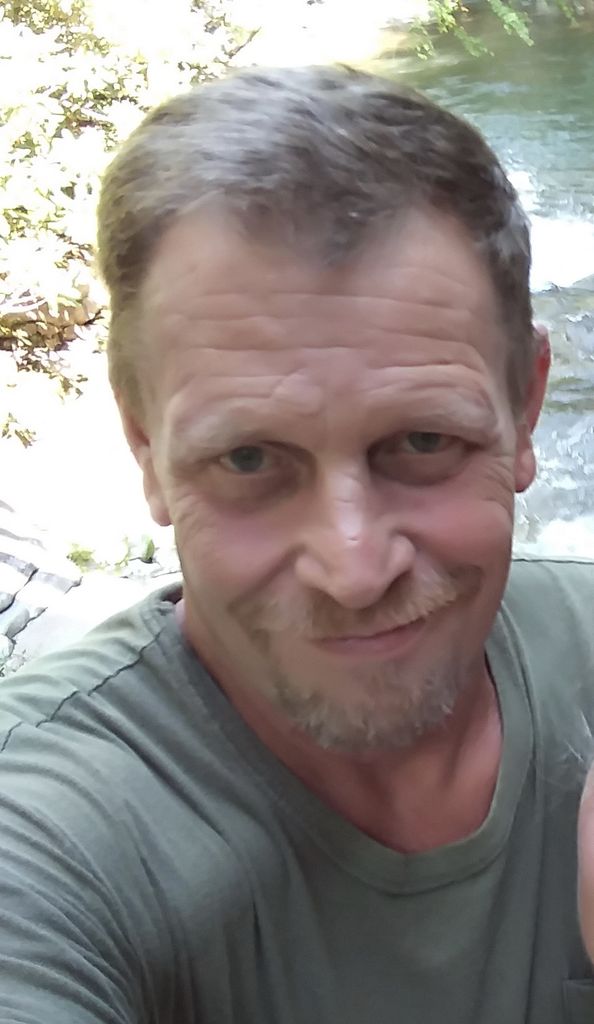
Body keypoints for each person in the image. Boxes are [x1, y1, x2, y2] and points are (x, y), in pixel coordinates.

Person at [1, 65, 594, 1024]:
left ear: (525, 409)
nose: (354, 569)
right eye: (249, 460)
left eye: (422, 443)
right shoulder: (45, 833)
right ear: (146, 448)